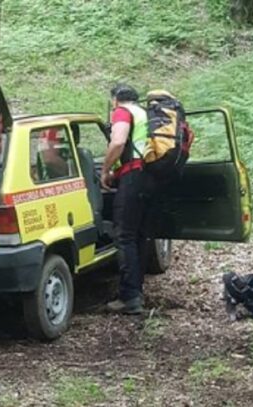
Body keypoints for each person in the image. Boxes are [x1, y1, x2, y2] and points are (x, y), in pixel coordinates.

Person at [100, 84, 156, 315]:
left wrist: (105, 170)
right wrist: (118, 173)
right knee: (139, 235)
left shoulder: (122, 112)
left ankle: (129, 297)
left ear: (115, 100)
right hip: (149, 176)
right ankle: (136, 291)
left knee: (124, 235)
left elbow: (119, 142)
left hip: (134, 178)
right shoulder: (145, 113)